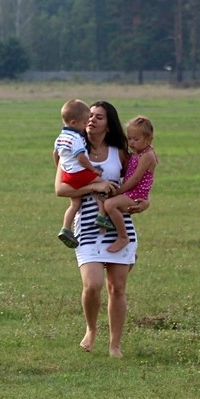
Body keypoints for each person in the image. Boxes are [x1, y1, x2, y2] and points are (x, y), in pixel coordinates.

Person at [54, 101, 148, 358]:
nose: (93, 120)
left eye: (100, 117)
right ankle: (91, 329)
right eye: (91, 116)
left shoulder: (120, 152)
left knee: (117, 288)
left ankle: (115, 344)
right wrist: (94, 187)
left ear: (109, 124)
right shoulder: (71, 149)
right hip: (86, 224)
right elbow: (61, 189)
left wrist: (145, 202)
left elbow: (138, 183)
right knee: (92, 285)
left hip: (119, 224)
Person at [101, 115, 158, 253]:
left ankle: (123, 237)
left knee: (110, 204)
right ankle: (106, 225)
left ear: (149, 139)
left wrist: (119, 191)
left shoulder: (147, 156)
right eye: (129, 138)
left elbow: (134, 179)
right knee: (105, 199)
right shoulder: (137, 153)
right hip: (130, 190)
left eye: (136, 139)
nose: (131, 143)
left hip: (136, 193)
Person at [53, 99, 104, 249]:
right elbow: (81, 158)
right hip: (79, 173)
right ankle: (102, 215)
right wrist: (93, 170)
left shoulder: (61, 137)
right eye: (84, 123)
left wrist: (61, 168)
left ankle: (66, 228)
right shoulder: (76, 138)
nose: (86, 126)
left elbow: (56, 154)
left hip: (68, 175)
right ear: (74, 122)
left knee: (75, 203)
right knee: (101, 184)